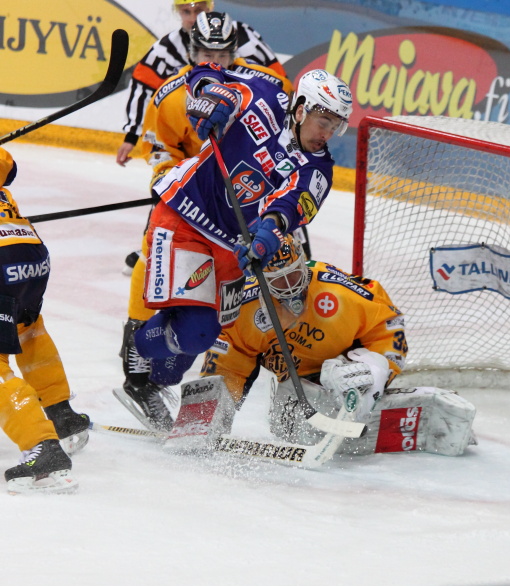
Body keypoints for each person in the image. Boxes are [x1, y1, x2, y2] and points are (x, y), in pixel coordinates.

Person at [114, 64, 352, 431]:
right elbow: (206, 72)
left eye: (335, 126)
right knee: (196, 332)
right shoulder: (265, 97)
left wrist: (267, 234)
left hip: (231, 242)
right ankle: (137, 353)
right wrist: (208, 98)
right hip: (186, 212)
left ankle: (155, 376)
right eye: (324, 121)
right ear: (301, 107)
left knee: (186, 354)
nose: (327, 133)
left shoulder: (318, 169)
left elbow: (290, 205)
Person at [116, 11, 293, 430]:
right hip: (190, 204)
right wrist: (176, 177)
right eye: (205, 51)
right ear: (192, 50)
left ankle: (170, 370)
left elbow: (280, 143)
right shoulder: (172, 95)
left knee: (217, 307)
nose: (214, 58)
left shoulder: (261, 86)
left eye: (222, 51)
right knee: (150, 266)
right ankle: (138, 374)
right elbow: (161, 149)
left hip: (238, 214)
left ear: (234, 51)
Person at [171, 236, 476, 459]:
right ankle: (333, 403)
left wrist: (375, 367)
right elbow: (229, 364)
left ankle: (362, 400)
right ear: (259, 279)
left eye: (294, 273)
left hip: (347, 367)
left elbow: (388, 325)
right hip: (296, 384)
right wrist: (210, 411)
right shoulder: (244, 308)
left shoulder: (338, 293)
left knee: (340, 392)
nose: (291, 287)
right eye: (278, 280)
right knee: (289, 424)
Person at [0, 148, 89, 494]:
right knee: (28, 330)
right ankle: (61, 413)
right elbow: (7, 165)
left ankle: (43, 447)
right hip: (28, 256)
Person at [116, 0, 286, 167]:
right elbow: (143, 87)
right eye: (186, 12)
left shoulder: (245, 38)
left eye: (199, 11)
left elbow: (277, 84)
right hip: (193, 146)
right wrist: (132, 135)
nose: (192, 18)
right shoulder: (165, 50)